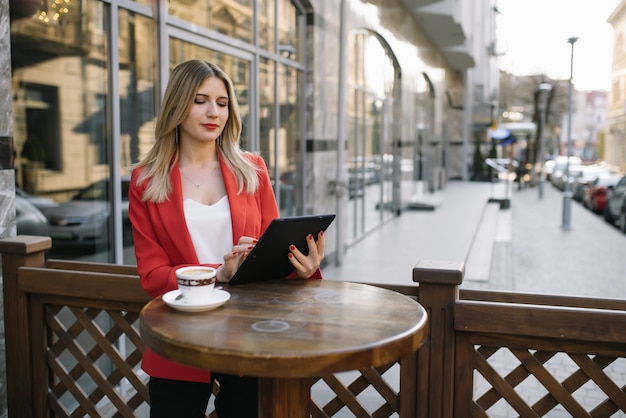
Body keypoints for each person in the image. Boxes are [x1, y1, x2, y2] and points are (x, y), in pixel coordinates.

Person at [128, 59, 326, 418]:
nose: (213, 112)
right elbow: (152, 276)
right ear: (177, 105)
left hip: (249, 333)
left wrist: (302, 267)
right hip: (179, 336)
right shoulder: (146, 180)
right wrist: (218, 273)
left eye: (222, 103)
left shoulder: (252, 171)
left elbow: (272, 256)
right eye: (200, 100)